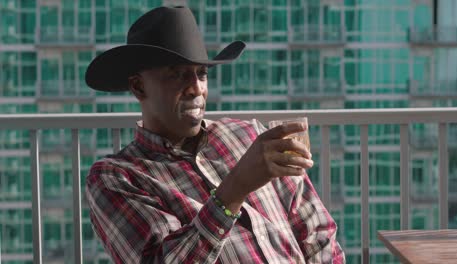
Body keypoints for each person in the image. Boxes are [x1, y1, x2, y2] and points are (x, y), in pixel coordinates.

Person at [85, 5, 345, 264]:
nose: (196, 88)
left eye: (202, 74)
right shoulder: (116, 177)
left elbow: (318, 233)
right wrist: (234, 189)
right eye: (177, 75)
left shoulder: (249, 134)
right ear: (139, 86)